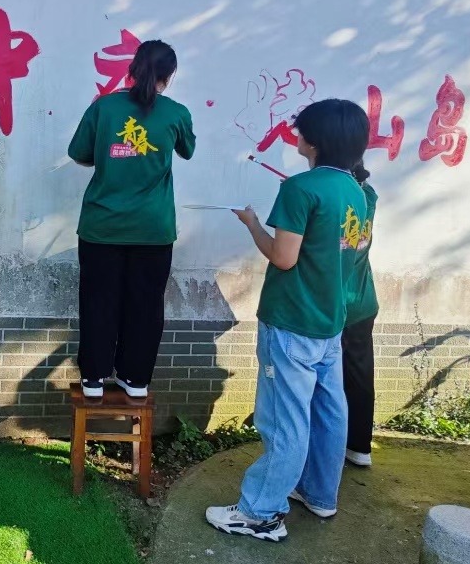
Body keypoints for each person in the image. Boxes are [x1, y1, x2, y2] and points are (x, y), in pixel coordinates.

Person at [206, 99, 370, 542]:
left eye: (299, 131)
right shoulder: (357, 192)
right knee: (328, 412)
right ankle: (319, 494)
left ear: (314, 142)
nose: (294, 136)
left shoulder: (301, 188)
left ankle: (260, 512)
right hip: (329, 323)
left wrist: (252, 224)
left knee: (284, 420)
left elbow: (283, 257)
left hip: (292, 321)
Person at [67, 39, 196, 399]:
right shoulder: (176, 114)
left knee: (98, 300)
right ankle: (135, 379)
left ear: (133, 67)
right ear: (168, 76)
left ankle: (93, 378)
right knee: (145, 304)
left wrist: (113, 157)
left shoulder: (104, 108)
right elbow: (187, 150)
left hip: (101, 227)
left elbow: (79, 155)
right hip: (152, 229)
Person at [342, 160, 378, 467]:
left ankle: (334, 446)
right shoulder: (369, 195)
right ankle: (359, 445)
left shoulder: (336, 197)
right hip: (363, 299)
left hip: (336, 301)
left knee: (324, 380)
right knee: (359, 373)